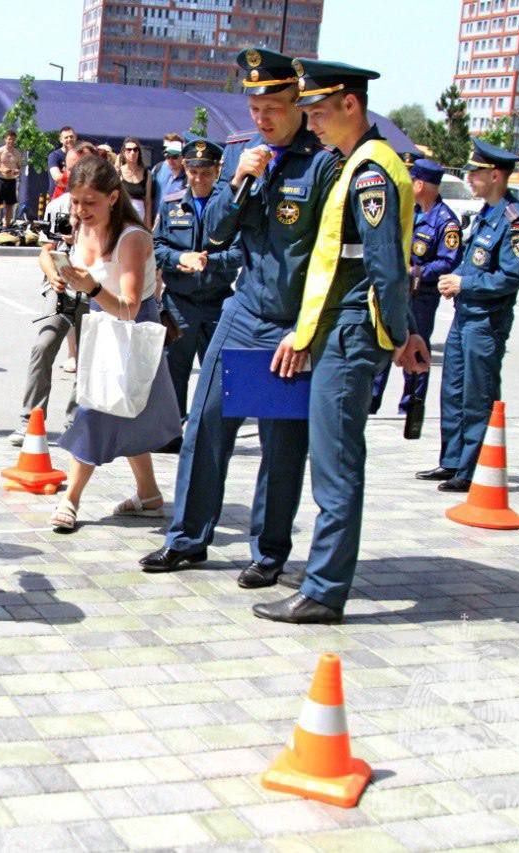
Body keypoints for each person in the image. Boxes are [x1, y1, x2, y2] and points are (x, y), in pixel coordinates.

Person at [138, 48, 338, 589]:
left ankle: (268, 552)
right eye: (253, 106)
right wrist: (238, 181)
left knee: (279, 443)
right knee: (205, 425)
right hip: (243, 310)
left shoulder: (322, 162)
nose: (261, 117)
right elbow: (220, 231)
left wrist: (308, 329)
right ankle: (187, 540)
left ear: (297, 101)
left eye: (271, 104)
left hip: (287, 322)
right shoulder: (246, 154)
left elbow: (328, 251)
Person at [253, 59, 430, 625]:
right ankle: (324, 577)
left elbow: (384, 268)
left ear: (351, 105)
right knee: (333, 458)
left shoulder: (371, 171)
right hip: (342, 325)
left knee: (335, 462)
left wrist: (399, 337)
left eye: (321, 112)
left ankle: (325, 589)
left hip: (354, 330)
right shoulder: (353, 163)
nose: (314, 123)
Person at [47, 156, 181, 532]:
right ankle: (150, 494)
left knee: (95, 411)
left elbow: (129, 307)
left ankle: (70, 497)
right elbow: (61, 260)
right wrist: (56, 273)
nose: (80, 210)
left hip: (131, 331)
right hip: (100, 330)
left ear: (113, 197)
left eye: (90, 202)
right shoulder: (83, 226)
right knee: (126, 412)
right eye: (76, 201)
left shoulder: (133, 238)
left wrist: (88, 286)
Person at [418, 139, 519, 493]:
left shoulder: (516, 221)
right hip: (465, 315)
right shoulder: (485, 214)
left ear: (496, 175)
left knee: (476, 394)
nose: (469, 178)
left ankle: (470, 469)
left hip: (487, 320)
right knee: (453, 390)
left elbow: (511, 276)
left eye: (476, 172)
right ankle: (452, 460)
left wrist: (464, 283)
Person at [8, 143, 99, 446]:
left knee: (87, 359)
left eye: (80, 168)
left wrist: (84, 236)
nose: (72, 173)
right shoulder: (58, 205)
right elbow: (45, 252)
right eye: (70, 168)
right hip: (61, 288)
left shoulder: (104, 208)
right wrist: (52, 275)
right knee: (43, 346)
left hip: (94, 291)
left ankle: (75, 422)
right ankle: (29, 420)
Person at [153, 138, 241, 425]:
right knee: (174, 369)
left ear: (217, 170)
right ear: (185, 169)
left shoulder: (229, 206)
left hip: (217, 301)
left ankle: (214, 426)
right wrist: (181, 259)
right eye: (193, 171)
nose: (198, 178)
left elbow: (240, 252)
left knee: (219, 370)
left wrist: (208, 262)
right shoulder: (171, 205)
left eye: (205, 172)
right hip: (179, 302)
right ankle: (173, 426)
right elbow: (156, 247)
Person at [371, 158, 462, 415]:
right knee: (384, 341)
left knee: (416, 346)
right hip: (398, 290)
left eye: (412, 181)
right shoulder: (409, 211)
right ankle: (371, 401)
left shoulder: (446, 222)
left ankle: (411, 406)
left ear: (420, 184)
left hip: (422, 295)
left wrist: (416, 271)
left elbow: (449, 260)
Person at [150, 133, 188, 225]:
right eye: (167, 156)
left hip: (175, 223)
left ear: (182, 156)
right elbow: (149, 197)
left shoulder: (188, 176)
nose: (170, 160)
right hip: (156, 222)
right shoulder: (157, 169)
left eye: (174, 156)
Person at [0, 129, 25, 229]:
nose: (11, 141)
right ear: (5, 139)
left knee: (10, 205)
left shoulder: (17, 153)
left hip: (11, 180)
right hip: (1, 180)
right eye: (9, 139)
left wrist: (17, 171)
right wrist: (2, 169)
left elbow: (20, 167)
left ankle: (7, 225)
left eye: (13, 139)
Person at [117, 136, 153, 222]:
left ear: (139, 152)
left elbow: (148, 202)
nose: (132, 153)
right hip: (122, 216)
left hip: (140, 218)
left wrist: (148, 224)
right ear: (124, 152)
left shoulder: (147, 174)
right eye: (129, 150)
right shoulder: (118, 172)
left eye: (135, 149)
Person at [48, 126, 77, 199]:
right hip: (58, 196)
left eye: (71, 137)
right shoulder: (54, 156)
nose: (69, 139)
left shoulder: (79, 155)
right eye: (66, 137)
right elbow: (57, 177)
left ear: (75, 138)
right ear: (61, 140)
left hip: (75, 196)